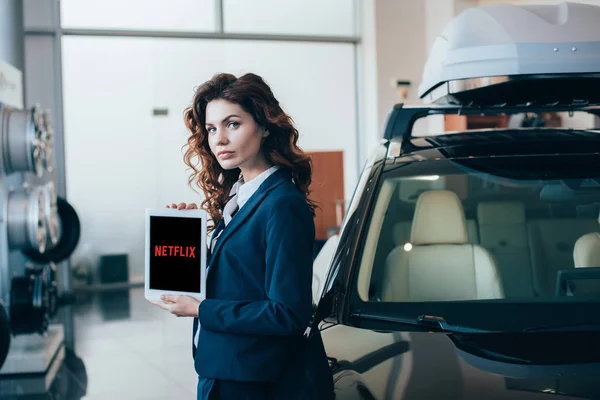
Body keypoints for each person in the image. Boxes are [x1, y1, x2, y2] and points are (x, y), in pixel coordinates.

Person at [150, 72, 334, 400]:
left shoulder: (281, 204)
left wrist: (200, 310)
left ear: (264, 126)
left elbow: (287, 313)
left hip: (252, 381)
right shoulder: (239, 196)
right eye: (211, 129)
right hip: (222, 368)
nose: (219, 139)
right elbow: (238, 277)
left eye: (232, 124)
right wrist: (188, 235)